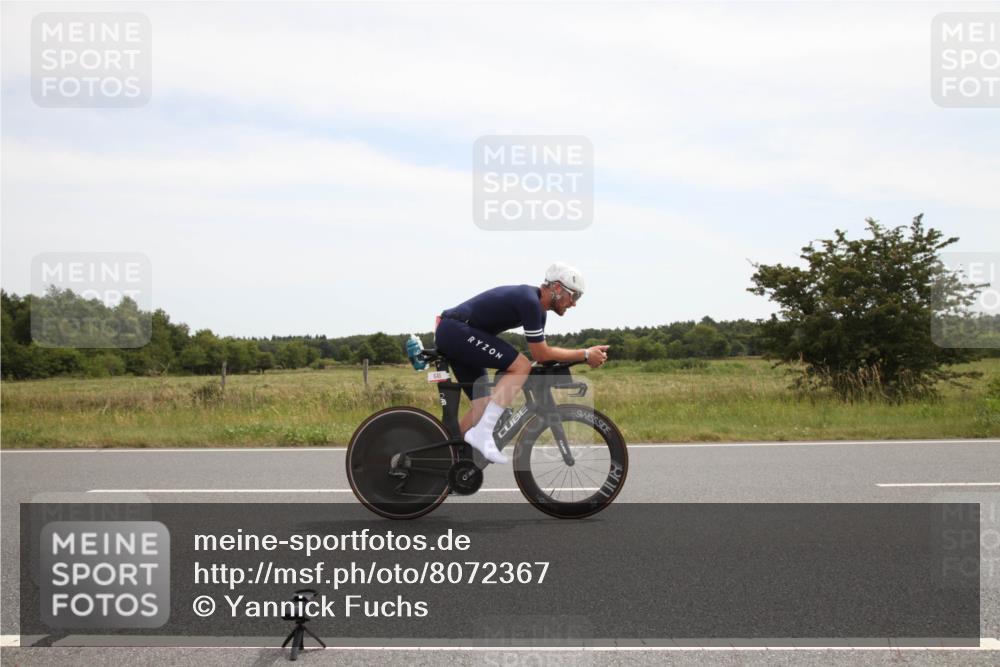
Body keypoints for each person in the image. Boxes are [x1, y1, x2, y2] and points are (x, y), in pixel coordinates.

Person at [433, 262, 609, 464]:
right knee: (520, 365)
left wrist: (580, 359)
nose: (574, 303)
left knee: (482, 405)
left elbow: (545, 355)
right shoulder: (530, 301)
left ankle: (445, 459)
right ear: (558, 288)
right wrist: (584, 354)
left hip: (458, 334)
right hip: (456, 330)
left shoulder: (538, 310)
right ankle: (482, 433)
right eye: (574, 295)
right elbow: (541, 353)